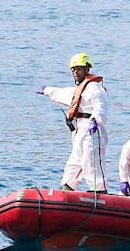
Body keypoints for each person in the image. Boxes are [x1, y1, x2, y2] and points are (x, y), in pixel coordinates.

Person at [37, 52, 109, 192]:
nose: (76, 72)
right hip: (79, 130)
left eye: (79, 69)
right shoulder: (78, 90)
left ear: (87, 69)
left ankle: (99, 189)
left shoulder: (95, 88)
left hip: (92, 130)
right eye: (74, 70)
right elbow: (62, 93)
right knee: (75, 161)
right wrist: (46, 90)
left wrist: (96, 121)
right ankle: (68, 186)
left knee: (91, 161)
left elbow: (101, 106)